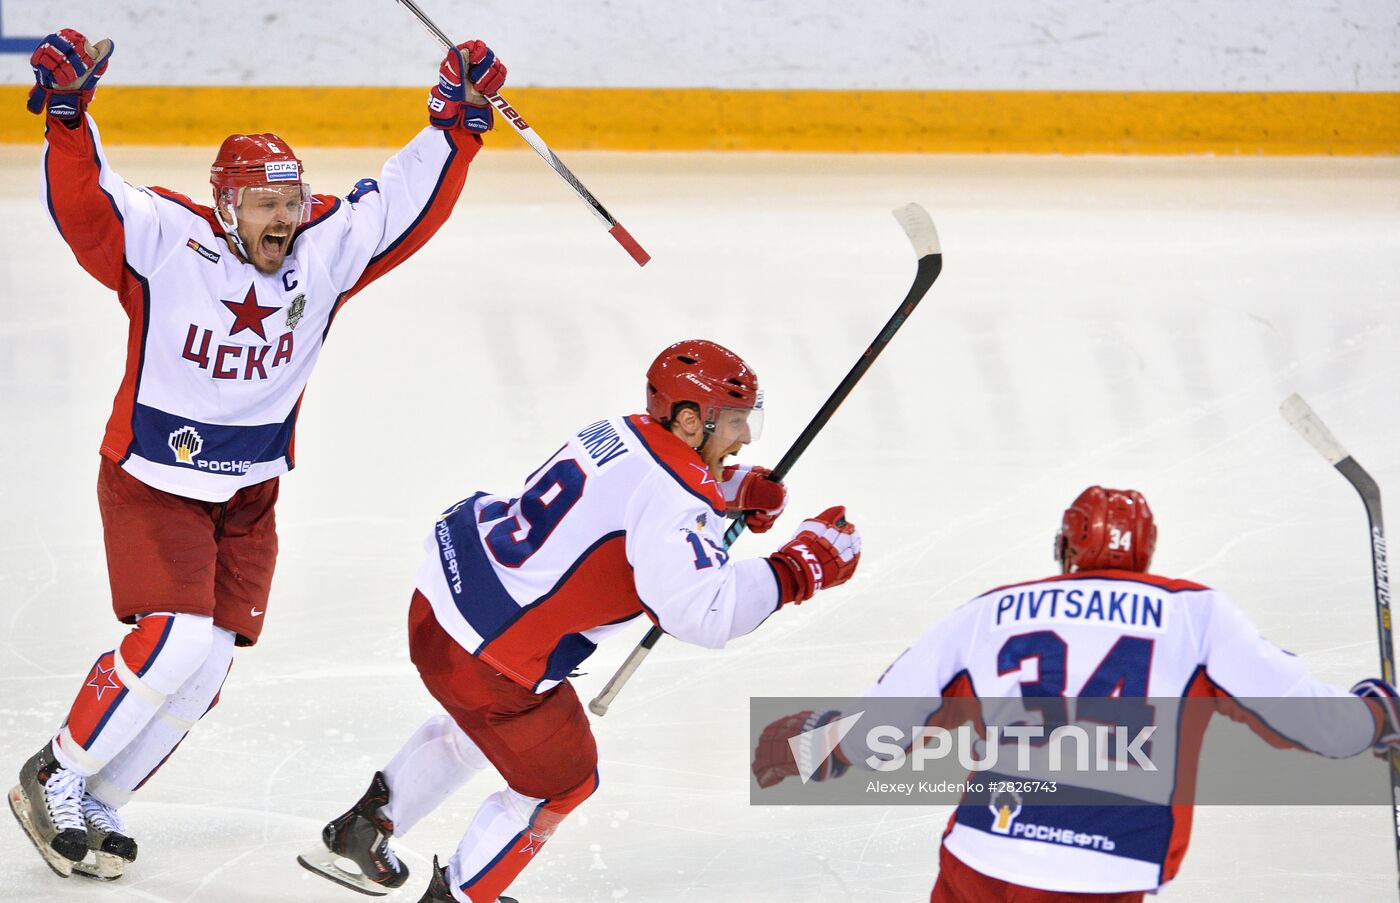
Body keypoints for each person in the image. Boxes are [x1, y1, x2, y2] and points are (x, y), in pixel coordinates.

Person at [8, 26, 510, 881]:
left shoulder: (321, 253)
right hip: (153, 481)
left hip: (248, 495)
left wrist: (456, 120)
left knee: (203, 666)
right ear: (226, 205)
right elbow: (88, 204)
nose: (283, 216)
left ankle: (100, 797)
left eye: (291, 199)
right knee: (170, 641)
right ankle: (53, 771)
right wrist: (66, 115)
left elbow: (400, 202)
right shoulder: (170, 240)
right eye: (263, 203)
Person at [297, 339, 864, 902]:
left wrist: (729, 492)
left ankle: (362, 831)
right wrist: (800, 567)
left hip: (442, 606)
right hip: (493, 660)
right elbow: (701, 610)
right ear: (691, 421)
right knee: (562, 783)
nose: (744, 438)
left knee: (481, 728)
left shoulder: (622, 428)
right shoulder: (676, 495)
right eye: (736, 422)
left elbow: (633, 497)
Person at [752, 486, 1400, 902]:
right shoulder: (1194, 613)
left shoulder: (994, 609)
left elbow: (884, 726)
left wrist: (814, 745)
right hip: (1102, 871)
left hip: (984, 855)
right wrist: (1376, 713)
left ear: (1065, 546)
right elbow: (1318, 724)